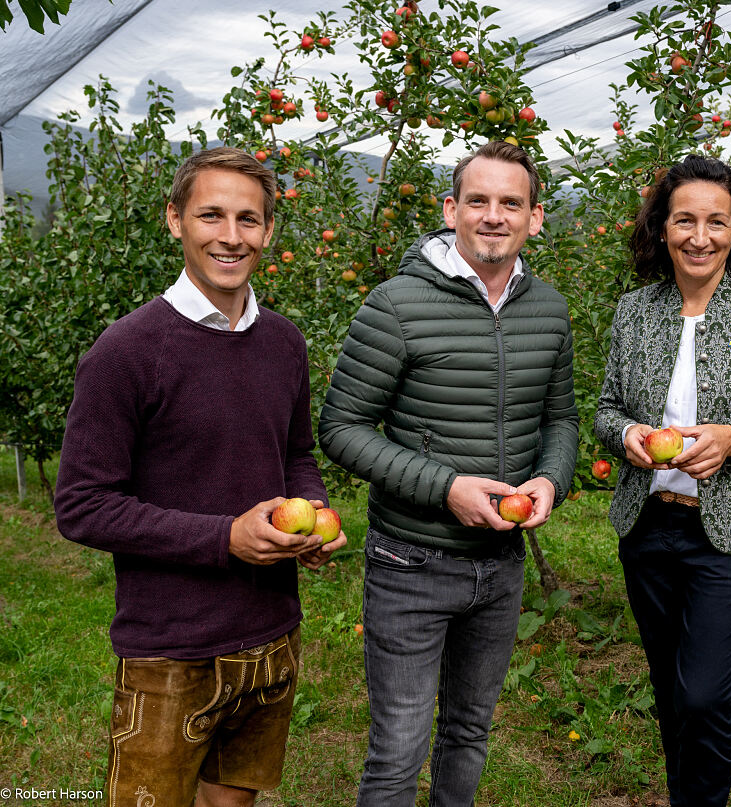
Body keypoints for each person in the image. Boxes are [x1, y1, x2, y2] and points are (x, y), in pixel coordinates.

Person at [54, 146, 347, 807]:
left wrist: (314, 514)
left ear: (269, 231)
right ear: (175, 220)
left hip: (272, 632)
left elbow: (295, 451)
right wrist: (225, 538)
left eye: (249, 219)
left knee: (234, 799)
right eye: (210, 214)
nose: (230, 235)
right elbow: (81, 506)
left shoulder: (284, 343)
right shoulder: (125, 352)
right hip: (170, 649)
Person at [318, 140, 578, 806]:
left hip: (499, 564)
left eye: (510, 203)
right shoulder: (397, 304)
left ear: (535, 218)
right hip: (411, 560)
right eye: (479, 200)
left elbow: (560, 421)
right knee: (399, 745)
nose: (494, 216)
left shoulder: (547, 309)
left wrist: (550, 479)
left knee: (467, 730)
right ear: (450, 208)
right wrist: (446, 487)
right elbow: (341, 428)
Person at [593, 154, 731, 806]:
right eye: (684, 220)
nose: (699, 236)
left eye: (715, 222)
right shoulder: (634, 311)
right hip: (647, 523)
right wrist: (627, 435)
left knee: (705, 692)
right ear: (661, 228)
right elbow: (606, 410)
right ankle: (684, 794)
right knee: (670, 687)